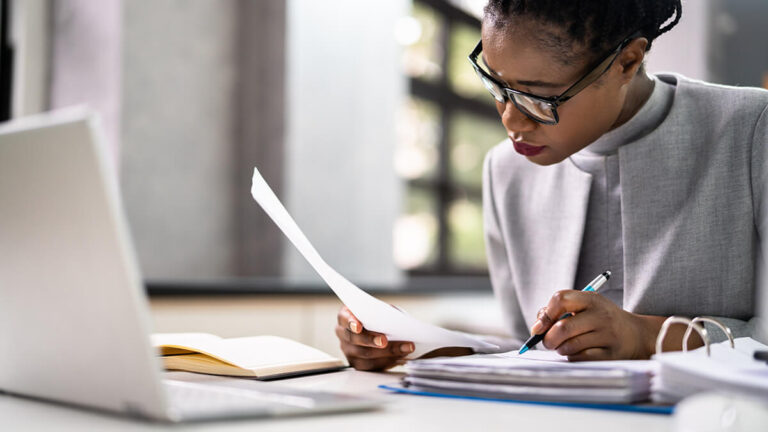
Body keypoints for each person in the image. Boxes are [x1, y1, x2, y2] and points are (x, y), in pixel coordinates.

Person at [336, 0, 768, 370]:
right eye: (496, 84)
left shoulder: (751, 131)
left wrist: (645, 336)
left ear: (627, 62)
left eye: (538, 96)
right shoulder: (507, 172)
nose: (510, 119)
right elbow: (528, 347)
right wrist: (413, 342)